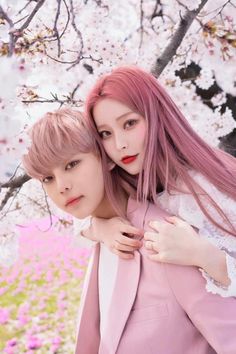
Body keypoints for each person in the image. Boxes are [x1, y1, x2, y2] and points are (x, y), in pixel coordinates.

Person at [21, 107, 236, 354]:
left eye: (72, 164)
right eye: (47, 178)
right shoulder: (100, 239)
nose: (62, 186)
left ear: (106, 158)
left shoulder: (165, 239)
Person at [84, 65, 236, 297]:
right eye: (106, 133)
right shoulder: (130, 183)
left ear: (156, 115)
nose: (119, 144)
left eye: (129, 123)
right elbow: (77, 213)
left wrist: (202, 254)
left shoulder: (206, 185)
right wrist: (100, 227)